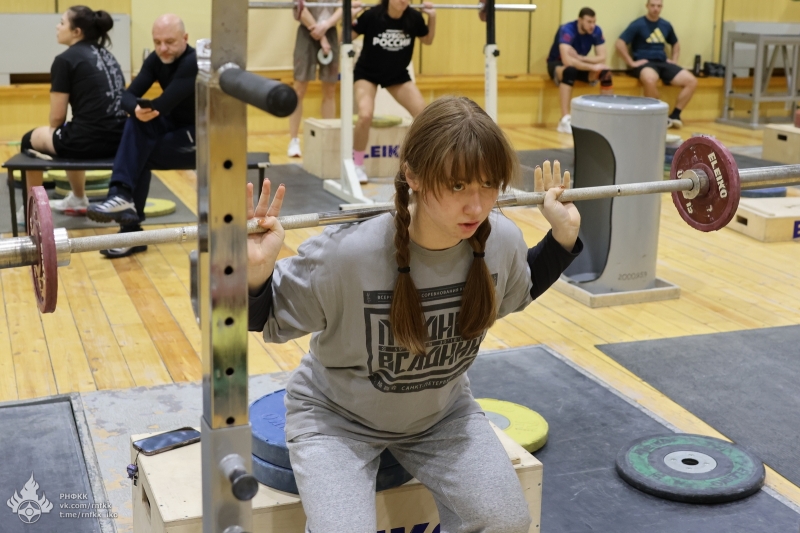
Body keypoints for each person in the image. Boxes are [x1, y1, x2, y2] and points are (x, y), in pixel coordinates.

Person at [247, 97, 583, 532]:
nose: (476, 206)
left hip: (440, 416)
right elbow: (265, 317)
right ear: (413, 176)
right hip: (337, 420)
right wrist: (255, 274)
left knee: (507, 523)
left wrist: (561, 238)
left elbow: (521, 285)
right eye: (457, 186)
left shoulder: (500, 239)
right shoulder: (347, 253)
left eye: (488, 185)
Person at [87, 14, 196, 258]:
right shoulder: (156, 59)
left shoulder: (193, 61)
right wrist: (136, 109)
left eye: (169, 42)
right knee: (136, 126)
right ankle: (121, 198)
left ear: (185, 38)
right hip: (174, 127)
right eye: (157, 42)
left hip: (199, 136)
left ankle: (129, 226)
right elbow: (126, 96)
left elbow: (165, 103)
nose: (162, 48)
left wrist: (140, 108)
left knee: (137, 153)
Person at [19, 6, 126, 222]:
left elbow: (56, 118)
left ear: (76, 32)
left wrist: (57, 130)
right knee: (70, 129)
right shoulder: (108, 55)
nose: (57, 27)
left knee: (29, 140)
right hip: (120, 140)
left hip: (88, 143)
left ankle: (31, 212)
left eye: (62, 23)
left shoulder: (65, 60)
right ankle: (77, 199)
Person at [350, 0, 436, 183]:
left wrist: (433, 17)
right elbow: (347, 37)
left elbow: (427, 40)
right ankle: (357, 164)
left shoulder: (414, 18)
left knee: (425, 117)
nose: (403, 1)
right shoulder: (372, 15)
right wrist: (350, 16)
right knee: (365, 115)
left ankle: (423, 164)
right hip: (367, 73)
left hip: (397, 75)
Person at [615, 0, 697, 129]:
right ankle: (656, 116)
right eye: (653, 5)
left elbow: (675, 43)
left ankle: (675, 115)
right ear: (647, 6)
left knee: (691, 81)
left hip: (662, 62)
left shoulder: (666, 25)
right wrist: (631, 62)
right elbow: (620, 43)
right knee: (649, 79)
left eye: (659, 6)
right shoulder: (638, 24)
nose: (655, 9)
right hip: (645, 63)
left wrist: (674, 60)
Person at [287, 1, 342, 158]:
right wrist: (321, 36)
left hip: (330, 30)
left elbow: (343, 6)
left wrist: (326, 26)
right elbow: (301, 9)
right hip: (307, 29)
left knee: (330, 89)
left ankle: (329, 139)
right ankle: (294, 140)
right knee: (299, 89)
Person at [546, 7, 612, 134]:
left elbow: (602, 58)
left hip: (580, 63)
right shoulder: (567, 29)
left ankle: (606, 117)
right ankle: (564, 119)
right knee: (570, 71)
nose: (592, 25)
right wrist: (592, 66)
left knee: (605, 73)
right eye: (589, 22)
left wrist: (581, 58)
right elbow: (567, 61)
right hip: (557, 64)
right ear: (580, 20)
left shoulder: (596, 31)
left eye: (594, 22)